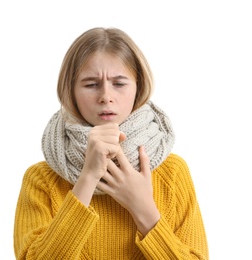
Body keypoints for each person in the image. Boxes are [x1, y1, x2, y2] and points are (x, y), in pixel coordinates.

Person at [13, 27, 209, 259]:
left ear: (138, 88)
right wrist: (87, 178)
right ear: (71, 91)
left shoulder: (173, 172)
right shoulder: (41, 180)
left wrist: (143, 208)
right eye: (91, 84)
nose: (106, 95)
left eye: (119, 83)